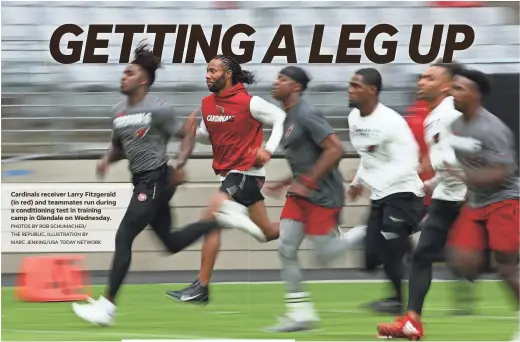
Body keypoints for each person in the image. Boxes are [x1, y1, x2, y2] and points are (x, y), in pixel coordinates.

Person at [71, 42, 245, 326]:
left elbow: (187, 135)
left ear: (143, 79)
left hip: (156, 179)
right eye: (123, 73)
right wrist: (107, 159)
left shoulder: (159, 109)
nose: (123, 77)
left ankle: (107, 307)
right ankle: (220, 220)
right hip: (141, 180)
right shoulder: (117, 112)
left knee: (124, 235)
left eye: (129, 73)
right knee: (170, 242)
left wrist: (179, 165)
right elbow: (119, 147)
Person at [166, 55, 287, 305]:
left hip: (246, 173)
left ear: (227, 74)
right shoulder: (207, 104)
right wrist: (190, 132)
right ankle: (310, 223)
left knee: (211, 216)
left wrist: (268, 150)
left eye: (212, 71)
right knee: (267, 232)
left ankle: (201, 287)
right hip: (231, 174)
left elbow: (279, 118)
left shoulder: (249, 102)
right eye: (206, 71)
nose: (207, 75)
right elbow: (205, 135)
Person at [260, 66, 365, 332]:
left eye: (281, 80)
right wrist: (285, 182)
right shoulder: (288, 117)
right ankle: (300, 314)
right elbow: (304, 160)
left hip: (322, 195)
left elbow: (335, 149)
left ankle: (365, 232)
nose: (275, 83)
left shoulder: (307, 113)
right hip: (300, 195)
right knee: (285, 248)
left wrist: (307, 182)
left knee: (325, 255)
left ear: (295, 87)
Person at [376, 62, 475, 340]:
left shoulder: (450, 113)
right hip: (449, 196)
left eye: (429, 78)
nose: (421, 81)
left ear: (446, 86)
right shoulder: (435, 115)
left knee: (505, 261)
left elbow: (473, 150)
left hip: (471, 196)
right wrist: (428, 184)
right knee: (422, 256)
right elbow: (447, 163)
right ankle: (412, 322)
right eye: (420, 77)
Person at [445, 68, 517, 340]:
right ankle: (484, 260)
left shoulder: (493, 129)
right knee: (462, 259)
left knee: (507, 269)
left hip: (504, 199)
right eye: (452, 88)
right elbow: (467, 164)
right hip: (476, 201)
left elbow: (504, 171)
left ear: (475, 95)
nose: (453, 93)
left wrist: (467, 176)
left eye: (459, 89)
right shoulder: (456, 126)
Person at [347, 68, 425, 315]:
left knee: (391, 249)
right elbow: (368, 155)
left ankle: (398, 302)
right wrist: (359, 180)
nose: (350, 90)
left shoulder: (391, 122)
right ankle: (407, 245)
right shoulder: (354, 119)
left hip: (403, 193)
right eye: (350, 85)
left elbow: (412, 161)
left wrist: (380, 180)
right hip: (380, 195)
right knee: (370, 258)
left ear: (372, 90)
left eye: (356, 86)